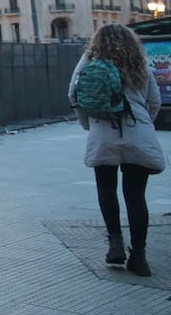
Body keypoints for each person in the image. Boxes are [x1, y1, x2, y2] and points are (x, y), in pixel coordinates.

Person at [69, 24, 166, 277]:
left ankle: (115, 244)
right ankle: (139, 257)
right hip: (137, 130)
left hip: (103, 132)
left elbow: (74, 94)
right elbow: (154, 100)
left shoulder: (90, 59)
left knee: (106, 189)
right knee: (136, 197)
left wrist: (89, 124)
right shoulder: (138, 61)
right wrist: (144, 122)